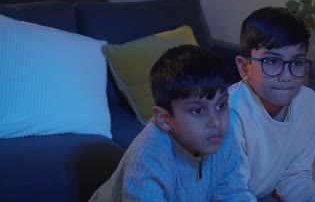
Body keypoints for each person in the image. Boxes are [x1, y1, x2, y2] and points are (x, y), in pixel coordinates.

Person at [89, 44, 256, 202]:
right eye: (198, 110)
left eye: (221, 105)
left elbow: (233, 195)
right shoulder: (148, 157)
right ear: (164, 119)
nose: (216, 122)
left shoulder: (225, 138)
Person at [229, 7, 315, 202]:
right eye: (272, 61)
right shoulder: (230, 113)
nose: (286, 77)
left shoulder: (307, 103)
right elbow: (229, 193)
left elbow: (294, 178)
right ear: (245, 68)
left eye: (297, 62)